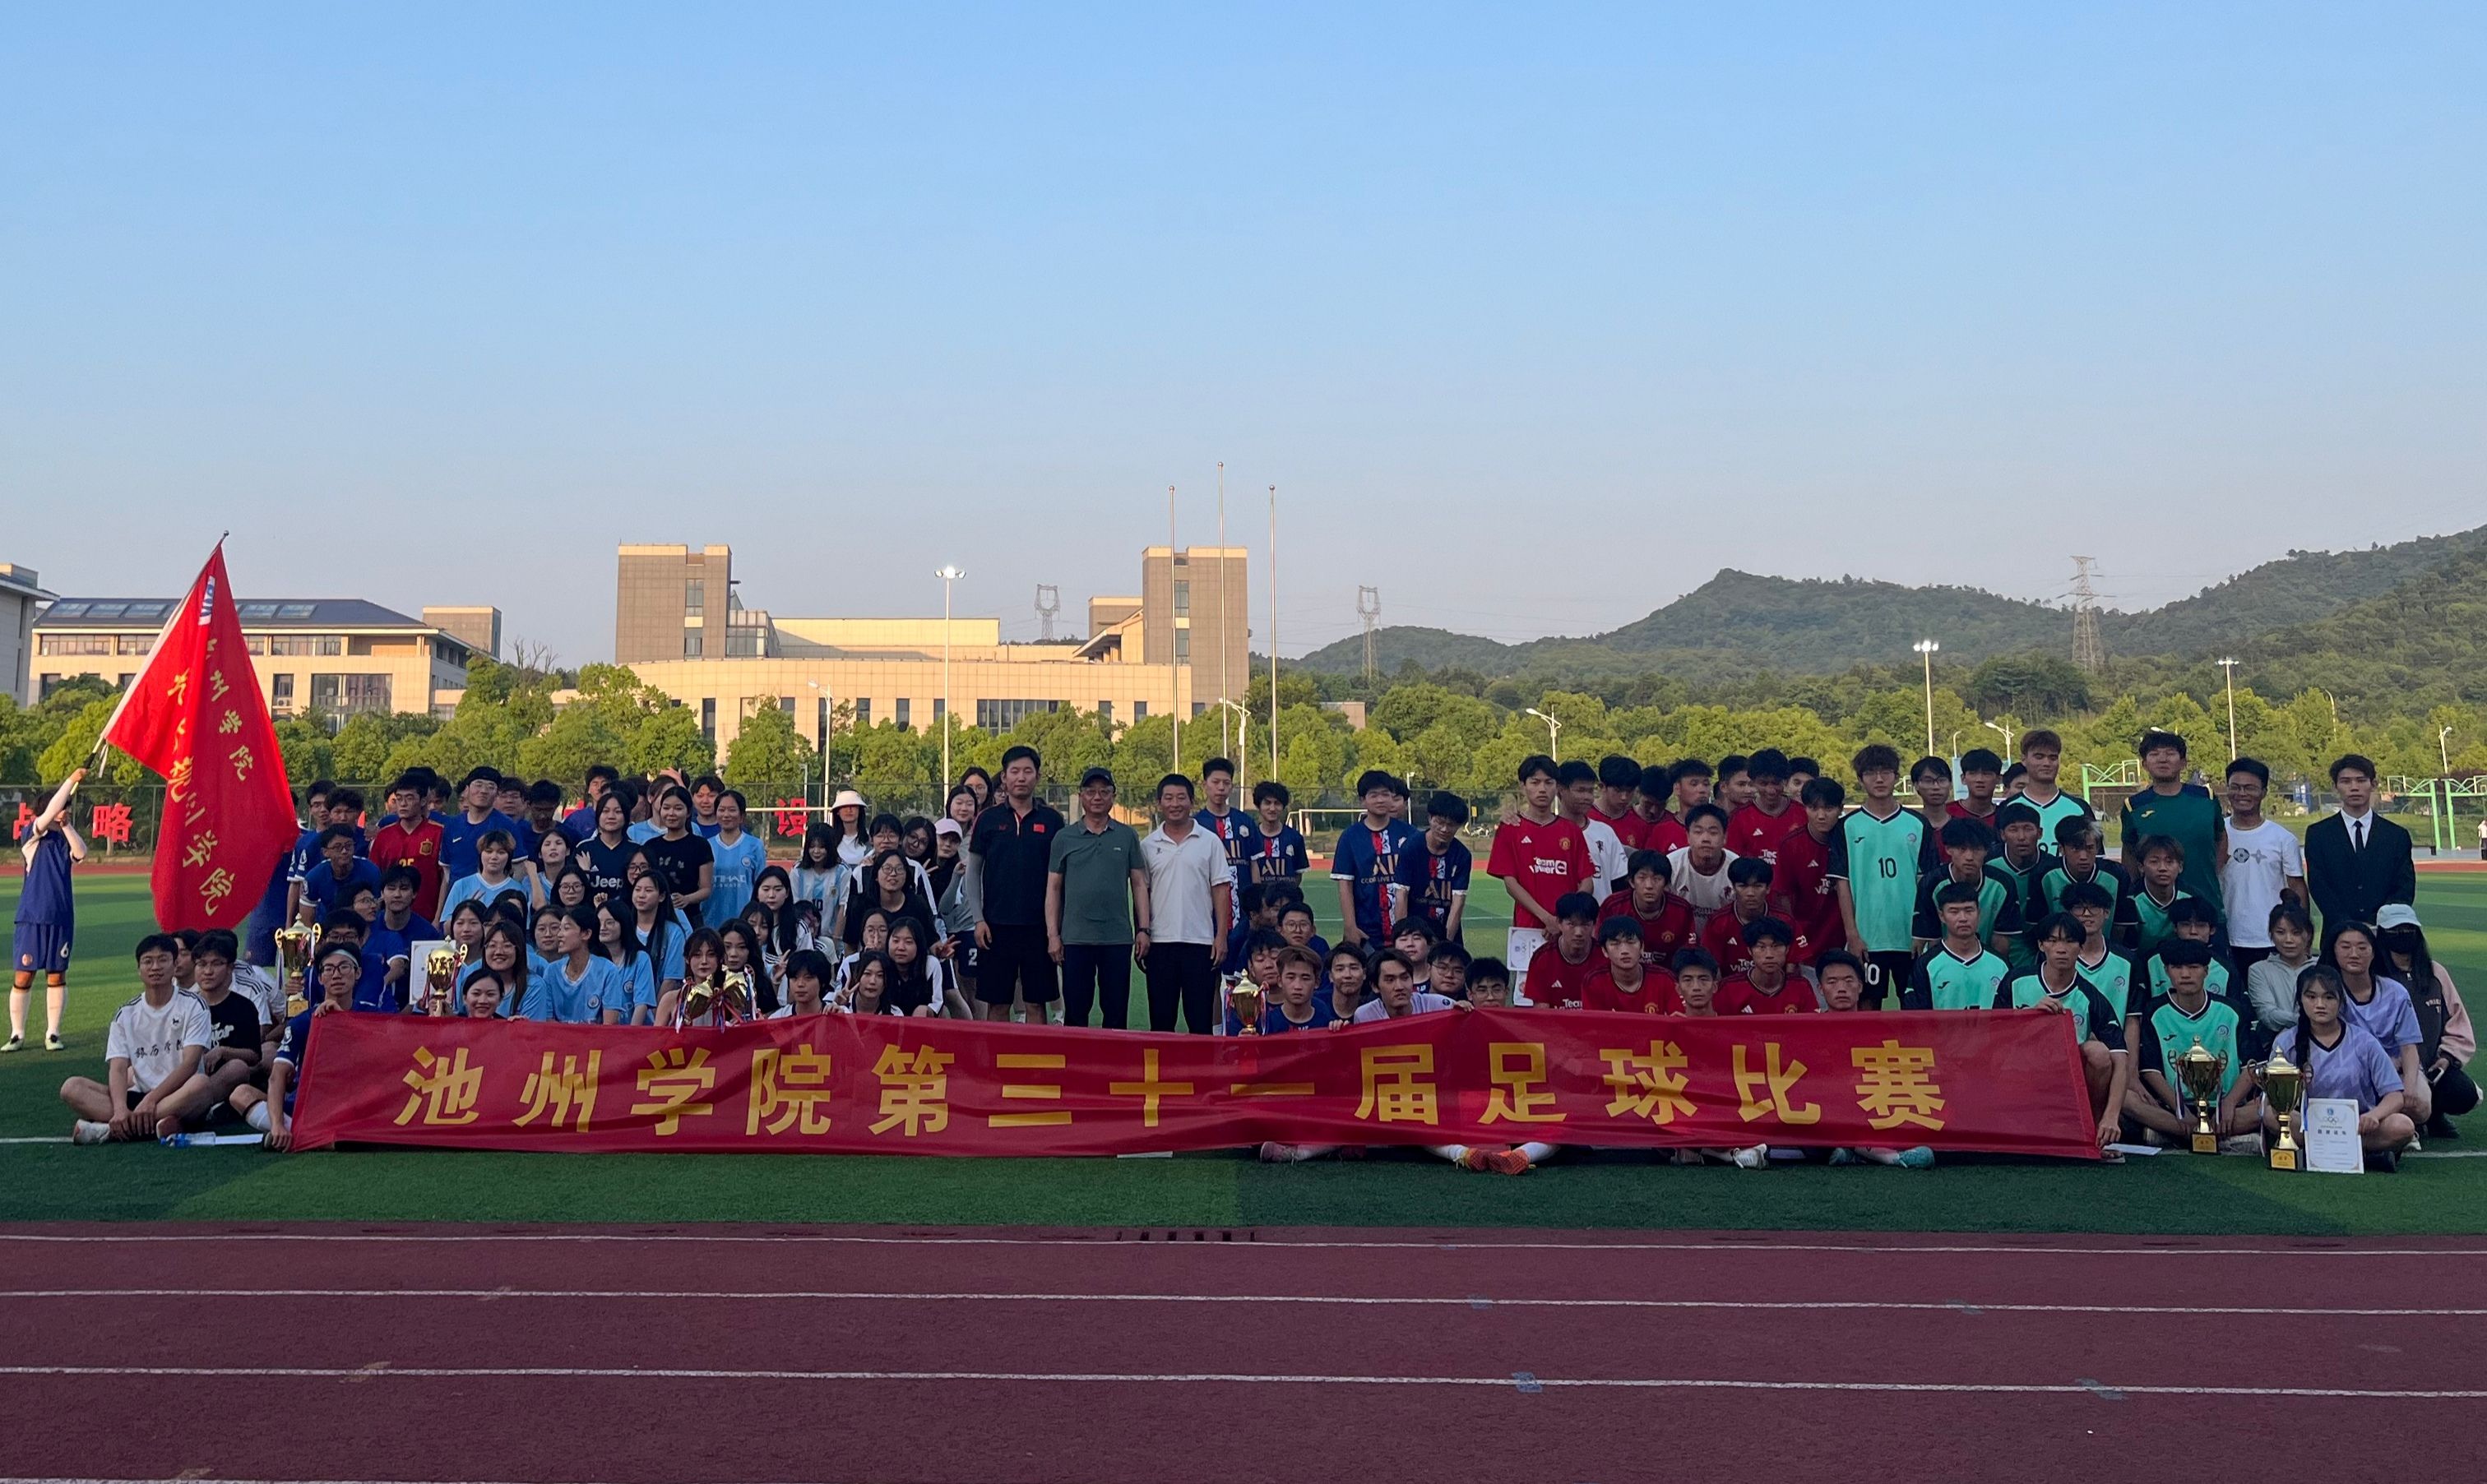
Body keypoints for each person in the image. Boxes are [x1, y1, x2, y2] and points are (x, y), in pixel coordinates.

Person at [2224, 964, 2416, 1170]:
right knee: (2273, 1116)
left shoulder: (2365, 1042)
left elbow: (2395, 1095)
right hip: (2309, 1125)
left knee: (2403, 1126)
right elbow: (2273, 1098)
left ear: (2341, 1001)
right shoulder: (2286, 1042)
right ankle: (2361, 1155)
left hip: (2357, 1125)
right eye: (2311, 997)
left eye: (2329, 997)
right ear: (2300, 1000)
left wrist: (2374, 1116)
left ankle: (2319, 1153)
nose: (2320, 1004)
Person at [1997, 913, 2129, 1151]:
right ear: (2041, 945)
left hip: (2068, 1079)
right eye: (2053, 941)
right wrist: (2030, 1018)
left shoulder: (2090, 996)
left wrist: (2111, 1116)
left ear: (2080, 947)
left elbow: (2121, 1058)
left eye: (2069, 941)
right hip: (2020, 1072)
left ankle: (2092, 1130)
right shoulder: (2016, 981)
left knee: (2099, 1052)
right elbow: (1995, 1036)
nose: (2061, 949)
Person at [63, 934, 212, 1144]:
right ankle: (152, 1124)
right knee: (72, 1087)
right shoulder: (126, 1014)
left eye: (162, 960)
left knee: (201, 1085)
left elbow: (190, 1064)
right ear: (139, 969)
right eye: (148, 961)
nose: (155, 967)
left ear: (174, 965)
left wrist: (152, 1099)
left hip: (178, 1093)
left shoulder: (194, 1005)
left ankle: (111, 1130)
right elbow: (118, 1068)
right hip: (137, 1095)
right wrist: (120, 1109)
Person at [236, 942, 368, 1151]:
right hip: (309, 1104)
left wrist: (341, 1020)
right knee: (241, 1094)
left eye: (344, 967)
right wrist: (277, 1124)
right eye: (329, 969)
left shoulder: (371, 1016)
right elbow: (278, 1075)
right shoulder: (304, 1021)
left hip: (354, 1100)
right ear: (320, 978)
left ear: (357, 973)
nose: (336, 975)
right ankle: (305, 1136)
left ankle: (302, 1138)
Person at [1046, 765, 1149, 1030]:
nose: (1097, 797)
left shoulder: (1127, 836)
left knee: (1116, 1014)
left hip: (1116, 938)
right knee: (1076, 1014)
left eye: (1104, 791)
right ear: (1081, 795)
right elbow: (1054, 889)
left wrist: (1144, 929)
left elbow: (1139, 883)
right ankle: (1076, 1058)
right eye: (1091, 791)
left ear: (1113, 796)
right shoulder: (1064, 838)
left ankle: (1114, 1058)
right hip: (1075, 939)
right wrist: (1053, 935)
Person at [970, 746, 1064, 1027]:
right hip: (995, 928)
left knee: (1036, 1002)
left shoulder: (1052, 821)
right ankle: (996, 1055)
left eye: (1027, 771)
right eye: (1014, 771)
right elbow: (973, 873)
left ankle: (1034, 1055)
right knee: (998, 1003)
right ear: (1004, 778)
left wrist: (1055, 929)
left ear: (1037, 776)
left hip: (1038, 928)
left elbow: (1060, 879)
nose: (1021, 778)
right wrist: (978, 919)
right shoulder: (988, 819)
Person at [1815, 951, 1934, 1168]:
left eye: (1848, 981)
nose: (1841, 988)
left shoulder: (1881, 1029)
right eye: (1832, 982)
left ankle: (1856, 1153)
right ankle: (1890, 1157)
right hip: (1830, 1105)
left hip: (1872, 1101)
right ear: (1821, 989)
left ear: (1861, 986)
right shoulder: (1808, 1028)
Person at [1831, 744, 1926, 1009]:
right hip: (1867, 938)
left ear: (1896, 777)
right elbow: (1842, 884)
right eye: (1871, 773)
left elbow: (1924, 882)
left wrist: (1921, 932)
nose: (1879, 779)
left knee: (1914, 1007)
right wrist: (1852, 935)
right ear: (1860, 779)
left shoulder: (1918, 824)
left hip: (1909, 937)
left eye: (1886, 772)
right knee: (1867, 1006)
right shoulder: (1847, 826)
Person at [2375, 904, 2479, 1139]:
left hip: (2432, 1065)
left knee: (2463, 1093)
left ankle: (2433, 1115)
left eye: (2408, 929)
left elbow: (2457, 1021)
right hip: (2389, 1066)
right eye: (2395, 931)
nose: (2403, 935)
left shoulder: (2435, 973)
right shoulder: (2374, 977)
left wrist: (2447, 1058)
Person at [1140, 774, 1230, 1034]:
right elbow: (1142, 893)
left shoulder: (1210, 841)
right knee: (1161, 1023)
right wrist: (1143, 932)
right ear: (1159, 803)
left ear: (1192, 801)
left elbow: (1221, 889)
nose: (1175, 804)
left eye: (1181, 798)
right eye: (1168, 798)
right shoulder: (1147, 845)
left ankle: (1202, 1064)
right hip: (1160, 944)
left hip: (1200, 943)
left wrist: (1221, 936)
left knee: (1200, 1022)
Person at [1486, 756, 1594, 975]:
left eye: (1548, 782)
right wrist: (1547, 918)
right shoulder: (1510, 829)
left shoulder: (1571, 830)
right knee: (1528, 991)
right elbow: (1510, 883)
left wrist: (1567, 920)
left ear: (1557, 787)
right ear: (1523, 786)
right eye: (1535, 782)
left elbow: (1587, 881)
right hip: (1528, 930)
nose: (1542, 789)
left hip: (1568, 932)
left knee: (1570, 989)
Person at [8, 766, 85, 1053]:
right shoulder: (32, 837)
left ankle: (53, 1033)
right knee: (23, 975)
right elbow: (51, 810)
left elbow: (81, 853)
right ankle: (17, 1034)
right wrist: (71, 780)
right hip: (32, 918)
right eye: (61, 808)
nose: (64, 811)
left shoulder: (64, 840)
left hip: (61, 918)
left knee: (56, 975)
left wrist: (66, 826)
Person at [2323, 919, 2429, 1126]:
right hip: (2348, 1067)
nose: (2354, 954)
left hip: (2395, 1068)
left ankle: (2392, 1123)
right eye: (2345, 947)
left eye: (2362, 947)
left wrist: (2409, 1087)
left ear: (2373, 953)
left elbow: (2409, 1047)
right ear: (2334, 951)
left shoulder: (2395, 993)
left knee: (2420, 1105)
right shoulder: (2327, 993)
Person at [2119, 730, 2227, 927]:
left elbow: (2221, 837)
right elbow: (2129, 850)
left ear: (2183, 762)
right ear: (2144, 764)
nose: (2162, 759)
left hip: (2205, 904)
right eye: (2154, 754)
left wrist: (2212, 872)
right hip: (2154, 913)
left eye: (2170, 753)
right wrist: (2137, 886)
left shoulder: (2206, 798)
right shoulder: (2134, 806)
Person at [2303, 754, 2417, 932]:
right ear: (2335, 787)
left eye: (2361, 780)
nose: (2354, 787)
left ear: (2373, 784)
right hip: (2337, 934)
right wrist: (2349, 926)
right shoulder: (2318, 835)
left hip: (2384, 933)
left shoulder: (2396, 836)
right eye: (2346, 781)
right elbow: (2319, 886)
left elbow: (2404, 887)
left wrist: (2377, 923)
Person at [2216, 757, 2305, 972]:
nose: (2242, 794)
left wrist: (2302, 934)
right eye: (2235, 787)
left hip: (2269, 939)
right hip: (2225, 936)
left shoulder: (2282, 838)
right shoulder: (2216, 834)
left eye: (2250, 788)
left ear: (2264, 792)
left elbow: (2297, 888)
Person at [1910, 817, 2022, 961]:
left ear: (1987, 851)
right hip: (1944, 960)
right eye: (1962, 849)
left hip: (1988, 960)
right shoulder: (1931, 883)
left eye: (1977, 849)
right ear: (1948, 849)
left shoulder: (2003, 884)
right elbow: (1930, 940)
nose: (1969, 857)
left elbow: (2001, 942)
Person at [1332, 770, 1419, 951]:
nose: (1380, 800)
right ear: (1363, 800)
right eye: (1374, 795)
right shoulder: (1350, 837)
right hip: (1366, 932)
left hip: (1406, 932)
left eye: (1385, 794)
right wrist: (1350, 927)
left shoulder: (1410, 834)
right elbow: (1345, 885)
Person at [1769, 777, 1846, 965]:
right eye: (1813, 808)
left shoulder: (1853, 840)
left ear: (1841, 808)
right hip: (1807, 940)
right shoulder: (1791, 845)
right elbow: (1783, 896)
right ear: (1805, 808)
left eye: (1829, 809)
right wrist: (1794, 939)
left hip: (1847, 939)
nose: (1821, 815)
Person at [1901, 881, 2011, 1010]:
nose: (1963, 918)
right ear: (1942, 916)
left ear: (1979, 913)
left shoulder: (2000, 965)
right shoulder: (1926, 965)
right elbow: (1915, 1015)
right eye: (1954, 912)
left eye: (1969, 910)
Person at [1700, 858, 1811, 980]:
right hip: (1731, 988)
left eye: (1758, 886)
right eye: (1743, 886)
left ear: (1768, 888)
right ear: (1733, 888)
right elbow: (1711, 966)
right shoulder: (1718, 923)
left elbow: (1793, 965)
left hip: (1776, 988)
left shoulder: (1785, 921)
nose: (1750, 893)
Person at [2034, 818, 2136, 942]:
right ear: (2061, 849)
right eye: (2075, 849)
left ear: (2098, 848)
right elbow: (2037, 924)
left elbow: (2122, 926)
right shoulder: (2044, 874)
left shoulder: (2117, 874)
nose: (2083, 856)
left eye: (2089, 848)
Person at [1392, 791, 1473, 947]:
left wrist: (1446, 944)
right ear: (1430, 818)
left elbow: (1457, 903)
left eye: (1451, 825)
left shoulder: (1462, 855)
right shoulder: (1411, 848)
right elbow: (1401, 895)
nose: (1444, 829)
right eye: (1440, 822)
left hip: (1446, 931)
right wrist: (1404, 940)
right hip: (1415, 932)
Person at [367, 774, 446, 922]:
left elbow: (445, 879)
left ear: (423, 801)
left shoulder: (439, 833)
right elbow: (374, 877)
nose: (403, 804)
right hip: (390, 919)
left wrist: (438, 919)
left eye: (409, 798)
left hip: (427, 918)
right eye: (399, 799)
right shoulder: (384, 835)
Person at [1599, 849, 1695, 967]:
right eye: (1642, 878)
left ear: (1666, 884)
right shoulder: (1612, 906)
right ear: (1632, 882)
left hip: (1668, 974)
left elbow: (1688, 954)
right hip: (1620, 972)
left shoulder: (1682, 910)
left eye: (1657, 879)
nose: (1649, 886)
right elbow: (1601, 948)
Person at [1194, 757, 1258, 927]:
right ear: (1204, 785)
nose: (1221, 787)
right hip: (1206, 908)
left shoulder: (1245, 821)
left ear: (1232, 786)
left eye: (1226, 783)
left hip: (1243, 908)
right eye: (1215, 782)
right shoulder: (1195, 824)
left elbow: (1254, 864)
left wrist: (1256, 902)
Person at [2244, 901, 2319, 1042]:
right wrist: (2310, 1020)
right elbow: (2267, 1014)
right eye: (2280, 932)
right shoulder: (2259, 970)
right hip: (2276, 1042)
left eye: (2296, 933)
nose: (2288, 940)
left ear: (2308, 935)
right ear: (2271, 934)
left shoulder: (2322, 966)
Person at [1558, 759, 1632, 899]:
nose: (1587, 797)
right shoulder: (1547, 833)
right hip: (1556, 912)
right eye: (1580, 790)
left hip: (1600, 912)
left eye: (1590, 791)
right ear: (1561, 790)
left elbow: (1619, 881)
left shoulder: (1605, 832)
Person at [642, 785, 716, 921]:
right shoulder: (650, 846)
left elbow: (706, 889)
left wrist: (687, 899)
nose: (671, 813)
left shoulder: (700, 845)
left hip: (690, 918)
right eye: (666, 808)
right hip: (656, 917)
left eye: (678, 808)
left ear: (688, 812)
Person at [1665, 803, 1739, 935]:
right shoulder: (1672, 865)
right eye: (1698, 832)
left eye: (1713, 833)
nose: (1705, 839)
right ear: (1688, 836)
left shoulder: (1737, 868)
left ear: (1725, 837)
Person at [1519, 893, 1602, 1010]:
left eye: (1585, 925)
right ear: (1559, 923)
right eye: (1571, 924)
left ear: (1594, 924)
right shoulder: (1542, 958)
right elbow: (1541, 1012)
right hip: (1554, 1021)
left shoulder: (1604, 956)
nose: (1578, 932)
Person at [1228, 945, 1336, 1034]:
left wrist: (1339, 1029)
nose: (1297, 986)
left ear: (1317, 983)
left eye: (1305, 978)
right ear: (1280, 981)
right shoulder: (1266, 1024)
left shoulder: (1326, 1021)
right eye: (1290, 977)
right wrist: (1245, 1044)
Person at [1725, 748, 1805, 866]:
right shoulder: (1739, 818)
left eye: (1776, 783)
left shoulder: (1803, 814)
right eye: (1763, 783)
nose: (1771, 790)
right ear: (1753, 782)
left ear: (1785, 781)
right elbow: (1732, 860)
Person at [1582, 915, 1677, 1014]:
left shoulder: (1665, 980)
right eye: (1615, 944)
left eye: (1631, 942)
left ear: (1642, 947)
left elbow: (1679, 1019)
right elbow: (1593, 1023)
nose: (1625, 951)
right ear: (1604, 951)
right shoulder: (1594, 982)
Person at [1716, 919, 1814, 1015]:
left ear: (1787, 949)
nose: (1769, 955)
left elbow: (1812, 1024)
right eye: (1761, 947)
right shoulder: (1728, 988)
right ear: (1750, 951)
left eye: (1776, 946)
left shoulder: (1801, 987)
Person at [704, 791, 769, 930]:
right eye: (722, 810)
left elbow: (761, 884)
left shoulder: (755, 845)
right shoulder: (706, 845)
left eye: (732, 810)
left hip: (745, 922)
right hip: (711, 921)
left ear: (742, 816)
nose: (726, 815)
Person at [299, 825, 382, 927]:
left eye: (348, 846)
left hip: (363, 926)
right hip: (326, 927)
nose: (344, 851)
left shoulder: (371, 871)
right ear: (325, 852)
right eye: (337, 847)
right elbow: (306, 918)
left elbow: (377, 908)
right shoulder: (314, 877)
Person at [441, 830, 528, 925]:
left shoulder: (518, 889)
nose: (494, 857)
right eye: (489, 851)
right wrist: (466, 910)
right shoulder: (461, 885)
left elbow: (524, 926)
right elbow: (446, 927)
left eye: (501, 852)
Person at [2128, 836, 2194, 957]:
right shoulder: (2131, 900)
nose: (2162, 868)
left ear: (2180, 867)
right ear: (2141, 867)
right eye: (2154, 862)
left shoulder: (2191, 898)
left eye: (2169, 862)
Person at [1246, 781, 1308, 888]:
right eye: (1267, 803)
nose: (1272, 808)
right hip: (1258, 898)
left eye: (1277, 803)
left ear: (1283, 807)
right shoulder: (1250, 837)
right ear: (1258, 806)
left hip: (1287, 897)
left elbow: (1298, 874)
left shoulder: (1295, 838)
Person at [1590, 756, 1646, 850]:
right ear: (1602, 786)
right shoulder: (1584, 817)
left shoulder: (1638, 825)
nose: (1624, 797)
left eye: (1629, 791)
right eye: (1618, 790)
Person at [773, 948, 838, 1019]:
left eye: (808, 978)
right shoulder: (778, 1018)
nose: (800, 984)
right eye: (795, 978)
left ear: (822, 982)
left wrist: (841, 1019)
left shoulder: (836, 1012)